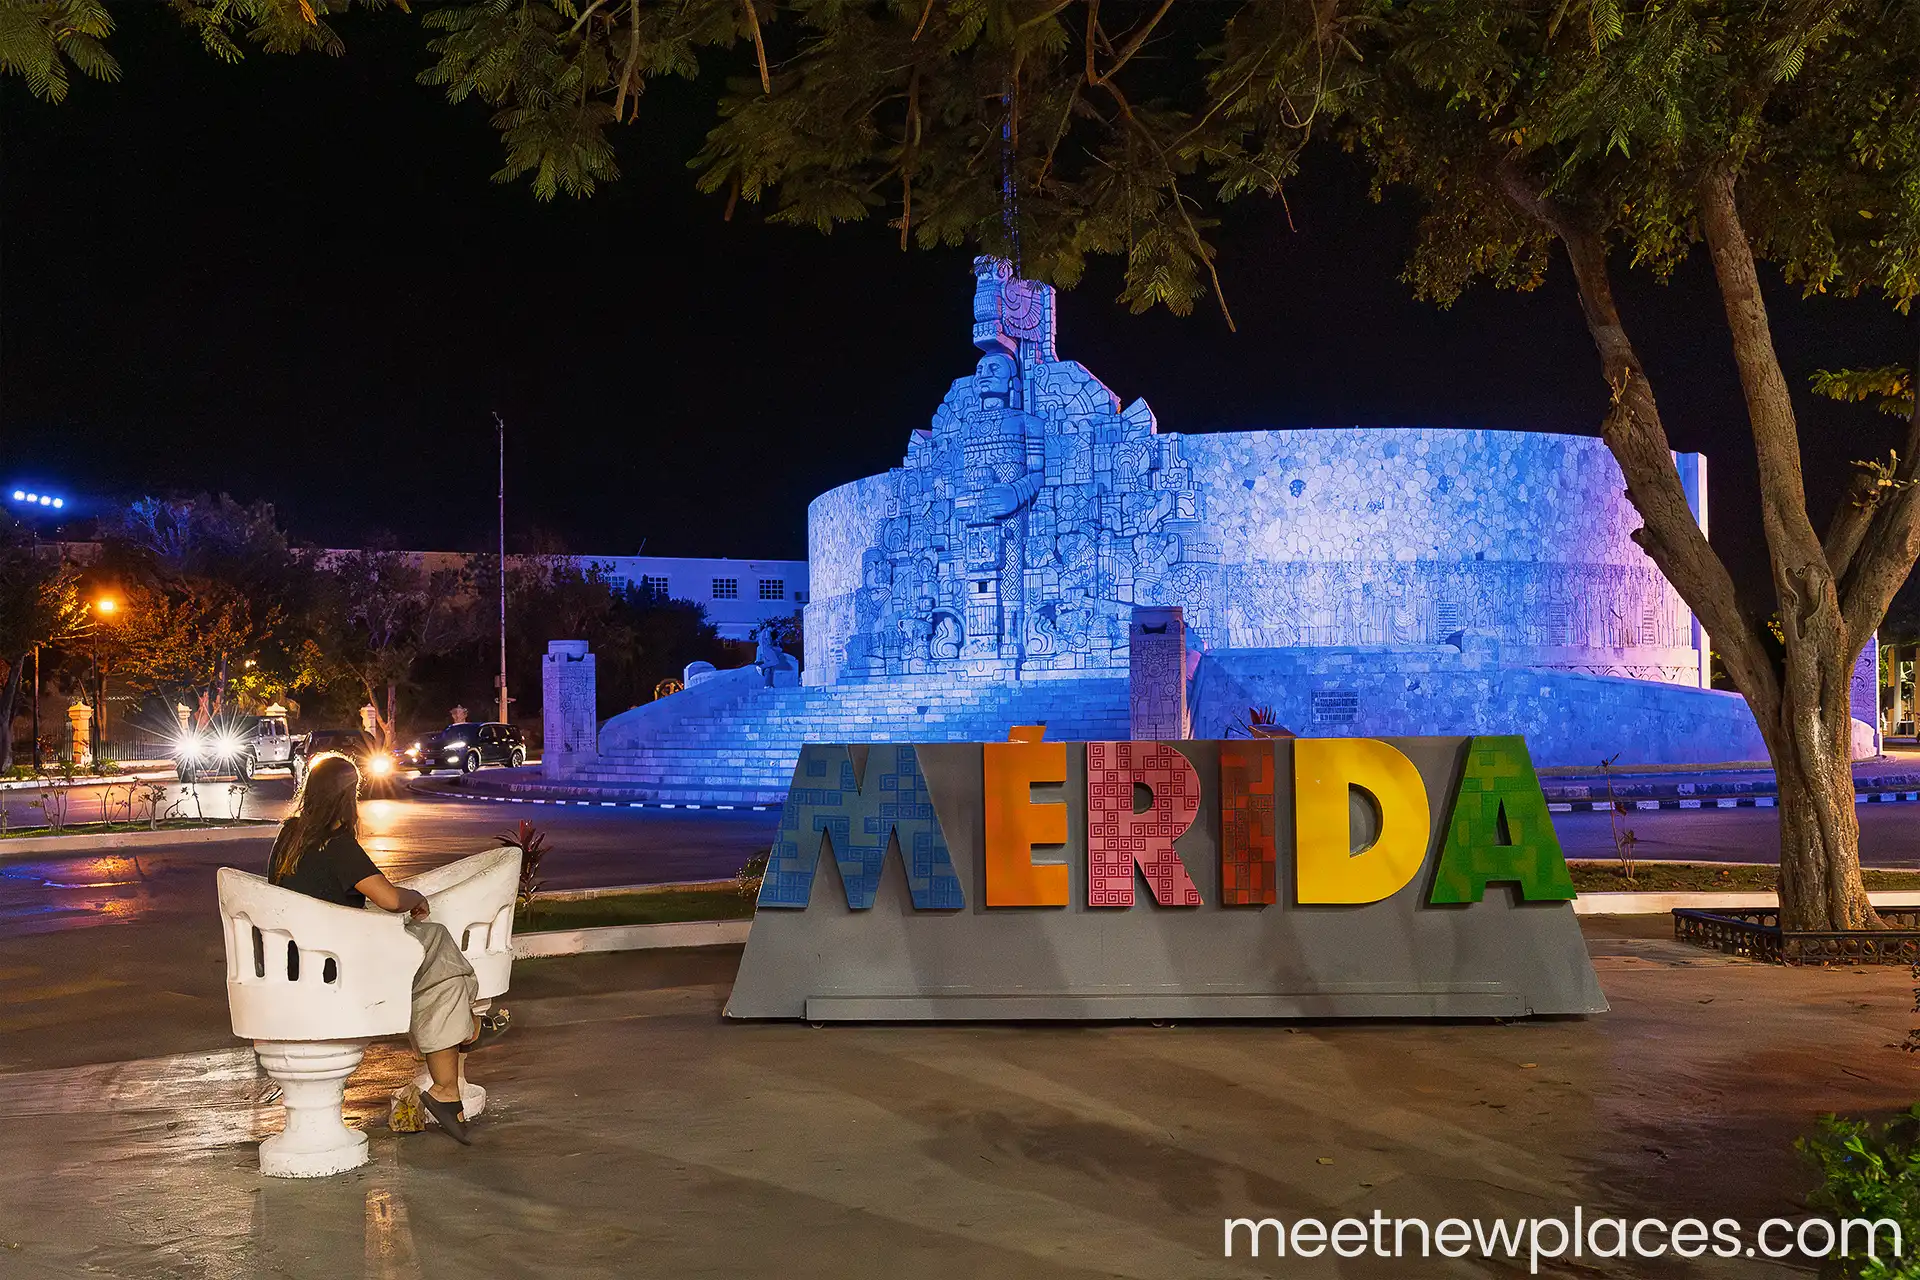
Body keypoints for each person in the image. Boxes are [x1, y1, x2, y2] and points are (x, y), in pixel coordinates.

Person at [266, 752, 504, 1143]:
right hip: (335, 966)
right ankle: (470, 1030)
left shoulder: (290, 836)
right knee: (438, 947)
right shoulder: (336, 843)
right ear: (348, 797)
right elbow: (389, 898)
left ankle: (458, 1060)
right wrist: (415, 897)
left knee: (436, 965)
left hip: (296, 961)